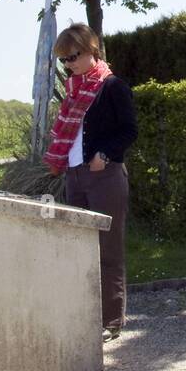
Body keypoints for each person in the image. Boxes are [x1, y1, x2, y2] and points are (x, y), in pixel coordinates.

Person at [43, 23, 138, 342]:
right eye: (64, 60)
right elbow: (69, 133)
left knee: (108, 250)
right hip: (75, 176)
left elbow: (128, 130)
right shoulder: (72, 89)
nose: (68, 64)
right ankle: (85, 315)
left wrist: (105, 155)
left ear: (90, 50)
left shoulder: (112, 87)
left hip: (104, 176)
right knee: (79, 250)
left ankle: (111, 320)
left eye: (73, 57)